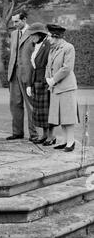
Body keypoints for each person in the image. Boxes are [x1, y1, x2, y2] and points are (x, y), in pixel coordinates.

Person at [45, 24, 79, 152]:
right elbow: (48, 66)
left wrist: (53, 79)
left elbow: (67, 68)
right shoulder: (53, 49)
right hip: (55, 88)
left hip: (66, 87)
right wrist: (48, 79)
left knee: (68, 117)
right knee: (61, 117)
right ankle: (65, 141)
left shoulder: (68, 47)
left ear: (56, 36)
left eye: (49, 36)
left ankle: (71, 142)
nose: (48, 39)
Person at [6, 10, 38, 141]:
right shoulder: (14, 34)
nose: (14, 24)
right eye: (13, 22)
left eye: (17, 21)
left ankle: (34, 134)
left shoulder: (33, 33)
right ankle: (17, 132)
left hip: (28, 73)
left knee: (30, 104)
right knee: (15, 103)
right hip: (13, 73)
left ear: (24, 20)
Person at [25, 23, 55, 145]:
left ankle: (51, 137)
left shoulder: (48, 45)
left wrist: (49, 80)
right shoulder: (37, 46)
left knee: (48, 111)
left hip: (45, 81)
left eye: (33, 35)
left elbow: (51, 65)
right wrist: (29, 84)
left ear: (40, 34)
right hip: (37, 81)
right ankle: (44, 135)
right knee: (40, 112)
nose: (31, 37)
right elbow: (33, 67)